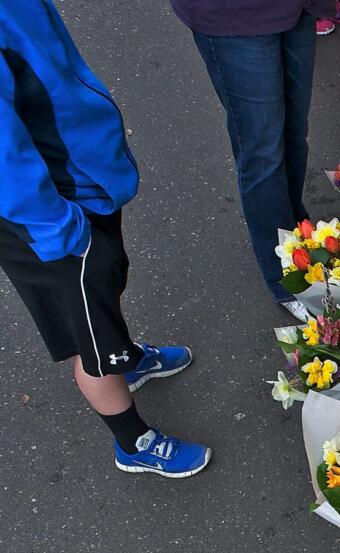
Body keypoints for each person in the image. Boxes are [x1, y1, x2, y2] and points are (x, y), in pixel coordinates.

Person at [0, 1, 211, 477]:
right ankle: (132, 441)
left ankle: (126, 358)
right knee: (88, 338)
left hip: (75, 183)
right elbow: (3, 159)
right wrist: (59, 230)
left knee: (103, 295)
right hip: (50, 212)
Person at [172, 0, 335, 322]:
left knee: (293, 133)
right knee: (262, 150)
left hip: (298, 9)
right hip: (235, 16)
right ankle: (285, 276)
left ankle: (295, 235)